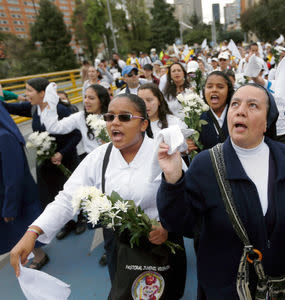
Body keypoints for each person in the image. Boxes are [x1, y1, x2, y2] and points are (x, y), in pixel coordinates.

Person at [10, 94, 187, 299]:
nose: (114, 123)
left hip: (162, 241)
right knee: (125, 290)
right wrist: (32, 232)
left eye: (124, 117)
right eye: (110, 117)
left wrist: (167, 226)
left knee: (164, 292)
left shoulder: (164, 153)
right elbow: (68, 198)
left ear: (143, 124)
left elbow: (187, 197)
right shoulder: (98, 157)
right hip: (119, 244)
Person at [157, 83, 285, 298]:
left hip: (279, 286)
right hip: (225, 288)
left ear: (267, 122)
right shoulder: (205, 164)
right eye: (235, 104)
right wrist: (172, 178)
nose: (240, 110)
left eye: (253, 105)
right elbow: (180, 224)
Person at [3, 77, 81, 269]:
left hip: (65, 162)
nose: (26, 95)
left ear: (42, 94)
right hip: (47, 165)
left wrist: (61, 153)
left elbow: (76, 134)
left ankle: (81, 221)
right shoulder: (33, 109)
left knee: (73, 193)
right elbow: (9, 107)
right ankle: (68, 223)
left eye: (29, 91)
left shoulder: (60, 110)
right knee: (55, 195)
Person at [40, 84, 111, 238]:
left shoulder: (112, 115)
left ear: (102, 100)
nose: (86, 101)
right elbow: (54, 127)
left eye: (91, 98)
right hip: (94, 171)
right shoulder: (80, 117)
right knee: (99, 210)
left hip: (114, 167)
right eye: (85, 97)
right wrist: (52, 102)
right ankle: (108, 245)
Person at [0, 101, 42, 257]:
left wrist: (9, 207)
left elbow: (13, 177)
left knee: (25, 229)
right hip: (7, 197)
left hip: (15, 197)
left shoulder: (4, 138)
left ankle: (39, 256)